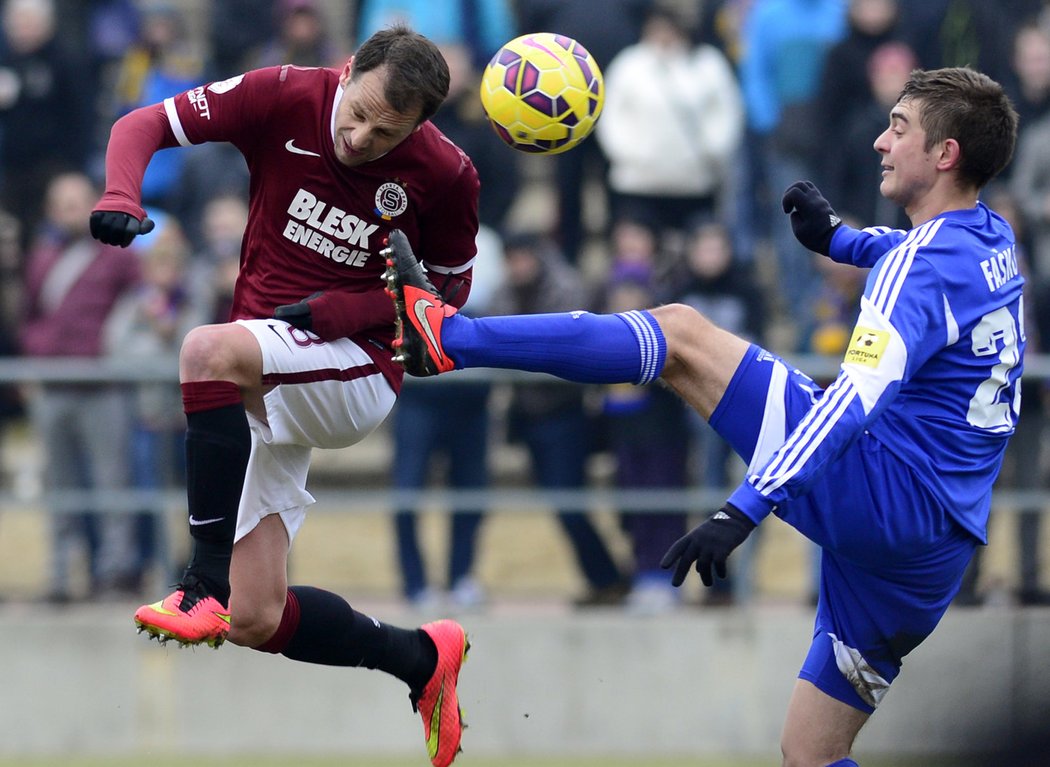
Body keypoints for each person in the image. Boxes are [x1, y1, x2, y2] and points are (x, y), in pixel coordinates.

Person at [384, 66, 1022, 765]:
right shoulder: (991, 240)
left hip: (885, 499)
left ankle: (450, 338)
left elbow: (851, 401)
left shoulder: (922, 267)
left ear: (945, 155)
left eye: (898, 129)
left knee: (680, 335)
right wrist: (835, 238)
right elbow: (910, 254)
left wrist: (742, 508)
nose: (879, 141)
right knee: (810, 752)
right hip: (935, 555)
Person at [89, 26, 473, 767]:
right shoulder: (285, 93)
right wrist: (120, 191)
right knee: (257, 616)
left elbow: (448, 300)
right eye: (356, 111)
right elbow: (142, 124)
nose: (361, 137)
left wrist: (350, 310)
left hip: (358, 370)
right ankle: (422, 659)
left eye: (386, 131)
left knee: (204, 348)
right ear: (348, 69)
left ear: (420, 127)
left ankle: (197, 583)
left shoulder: (447, 174)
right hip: (267, 364)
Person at [20, 171, 142, 602]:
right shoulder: (41, 258)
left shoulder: (120, 255)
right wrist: (38, 356)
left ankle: (115, 571)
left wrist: (111, 347)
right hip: (53, 384)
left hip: (102, 383)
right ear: (53, 210)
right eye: (64, 202)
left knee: (113, 484)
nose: (71, 210)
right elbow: (29, 317)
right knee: (60, 487)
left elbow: (139, 305)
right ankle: (60, 575)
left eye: (78, 201)